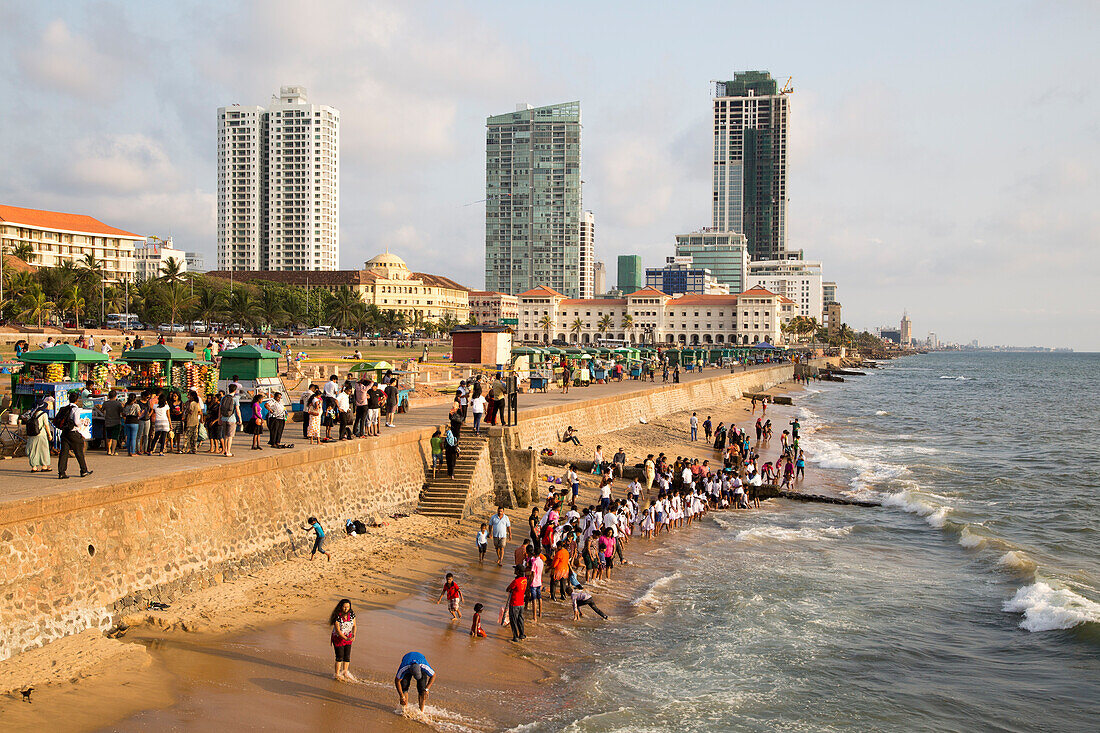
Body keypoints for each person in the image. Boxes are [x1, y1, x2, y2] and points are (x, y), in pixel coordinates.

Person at [54, 390, 92, 479]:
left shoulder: (65, 408)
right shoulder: (76, 409)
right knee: (79, 452)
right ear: (77, 400)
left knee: (64, 453)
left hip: (64, 433)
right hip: (73, 432)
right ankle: (83, 470)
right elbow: (76, 422)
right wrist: (81, 424)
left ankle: (61, 472)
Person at [330, 599, 357, 681]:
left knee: (347, 656)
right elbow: (338, 630)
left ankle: (345, 672)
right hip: (338, 638)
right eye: (344, 607)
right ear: (341, 607)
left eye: (348, 607)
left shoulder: (352, 614)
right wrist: (345, 638)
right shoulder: (337, 616)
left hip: (348, 637)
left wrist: (353, 634)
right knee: (339, 656)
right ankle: (337, 674)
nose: (346, 608)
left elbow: (355, 625)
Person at [25, 400, 53, 472]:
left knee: (33, 450)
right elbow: (46, 425)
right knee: (43, 450)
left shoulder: (31, 413)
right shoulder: (44, 414)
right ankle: (44, 466)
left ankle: (34, 467)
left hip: (32, 434)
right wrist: (49, 435)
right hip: (41, 434)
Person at [505, 565, 528, 642]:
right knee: (520, 619)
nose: (514, 571)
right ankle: (522, 634)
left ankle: (515, 637)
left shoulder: (516, 581)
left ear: (518, 571)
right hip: (521, 603)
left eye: (515, 569)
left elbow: (508, 589)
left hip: (514, 603)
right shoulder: (525, 579)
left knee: (513, 620)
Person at [220, 384, 243, 457]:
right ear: (235, 390)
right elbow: (237, 409)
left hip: (223, 418)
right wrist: (240, 418)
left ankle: (225, 450)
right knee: (230, 436)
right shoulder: (235, 398)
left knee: (225, 436)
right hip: (231, 419)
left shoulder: (223, 398)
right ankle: (228, 452)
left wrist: (219, 418)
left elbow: (220, 409)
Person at [101, 389, 123, 456]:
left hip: (108, 421)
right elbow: (121, 412)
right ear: (116, 396)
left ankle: (109, 450)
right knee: (115, 437)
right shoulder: (118, 403)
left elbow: (102, 410)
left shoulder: (105, 403)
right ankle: (113, 451)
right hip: (116, 421)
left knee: (109, 437)